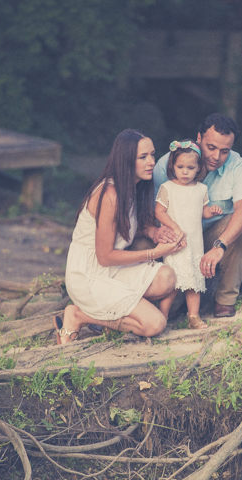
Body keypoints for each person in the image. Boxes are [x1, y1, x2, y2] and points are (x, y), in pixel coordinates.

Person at [55, 129, 184, 343]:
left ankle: (112, 309)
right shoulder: (110, 195)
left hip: (111, 271)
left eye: (152, 154)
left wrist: (154, 231)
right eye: (143, 157)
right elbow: (105, 256)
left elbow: (131, 226)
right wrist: (154, 253)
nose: (151, 162)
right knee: (155, 323)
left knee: (167, 278)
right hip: (89, 275)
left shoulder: (133, 187)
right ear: (126, 161)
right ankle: (78, 315)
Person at [153, 114, 242, 317]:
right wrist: (158, 232)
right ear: (199, 138)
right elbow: (151, 211)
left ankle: (225, 300)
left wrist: (220, 246)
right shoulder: (167, 164)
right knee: (169, 307)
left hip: (209, 237)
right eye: (211, 147)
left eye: (224, 151)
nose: (216, 157)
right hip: (174, 238)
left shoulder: (237, 165)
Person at [155, 140, 223, 329]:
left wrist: (212, 210)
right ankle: (162, 317)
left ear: (198, 168)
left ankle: (193, 317)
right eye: (180, 167)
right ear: (172, 166)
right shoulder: (167, 188)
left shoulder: (201, 189)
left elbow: (203, 212)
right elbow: (159, 212)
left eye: (190, 167)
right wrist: (174, 226)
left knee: (193, 281)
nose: (185, 172)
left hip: (194, 243)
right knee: (172, 282)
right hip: (175, 243)